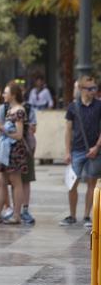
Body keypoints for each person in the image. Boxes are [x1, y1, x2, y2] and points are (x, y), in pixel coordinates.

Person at [61, 75, 101, 227]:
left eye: (94, 88)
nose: (93, 91)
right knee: (72, 184)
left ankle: (86, 216)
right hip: (77, 150)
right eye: (90, 89)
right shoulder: (73, 107)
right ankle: (72, 215)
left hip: (95, 151)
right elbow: (68, 130)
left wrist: (96, 147)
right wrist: (67, 151)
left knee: (92, 183)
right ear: (81, 89)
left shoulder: (99, 105)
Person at [0, 82, 28, 225]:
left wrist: (1, 128)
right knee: (2, 181)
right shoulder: (8, 110)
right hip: (5, 150)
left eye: (6, 92)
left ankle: (17, 215)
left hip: (14, 151)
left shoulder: (19, 111)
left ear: (13, 94)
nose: (3, 95)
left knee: (16, 182)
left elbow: (18, 135)